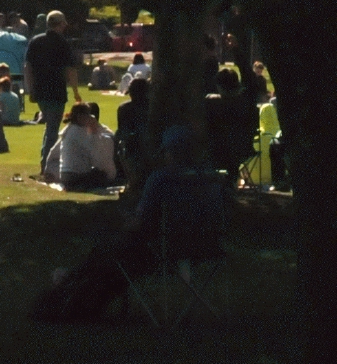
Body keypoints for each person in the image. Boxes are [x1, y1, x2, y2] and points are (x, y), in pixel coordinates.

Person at [30, 126, 219, 322]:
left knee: (109, 250)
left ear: (170, 152)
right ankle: (74, 288)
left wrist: (124, 221)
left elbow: (140, 223)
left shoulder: (162, 179)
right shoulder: (212, 178)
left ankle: (70, 291)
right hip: (206, 246)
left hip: (161, 248)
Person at [25, 11, 82, 168]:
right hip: (56, 91)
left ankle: (46, 160)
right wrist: (76, 91)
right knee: (52, 128)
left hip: (40, 91)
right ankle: (47, 163)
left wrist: (30, 89)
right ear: (61, 24)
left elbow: (28, 67)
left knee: (50, 126)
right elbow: (70, 70)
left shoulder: (36, 41)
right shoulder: (62, 43)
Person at [53, 102, 117, 190]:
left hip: (66, 175)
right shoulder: (78, 132)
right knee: (103, 175)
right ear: (80, 117)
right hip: (74, 175)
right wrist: (94, 130)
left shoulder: (70, 129)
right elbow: (92, 152)